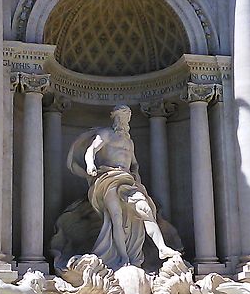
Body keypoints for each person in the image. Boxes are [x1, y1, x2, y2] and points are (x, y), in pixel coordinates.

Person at [65, 105, 181, 270]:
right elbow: (91, 149)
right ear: (114, 118)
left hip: (128, 180)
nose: (123, 122)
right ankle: (123, 257)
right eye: (120, 118)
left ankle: (161, 248)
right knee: (116, 218)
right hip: (108, 178)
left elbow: (134, 164)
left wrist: (137, 179)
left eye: (126, 118)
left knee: (146, 210)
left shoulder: (129, 141)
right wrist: (90, 164)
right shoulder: (106, 134)